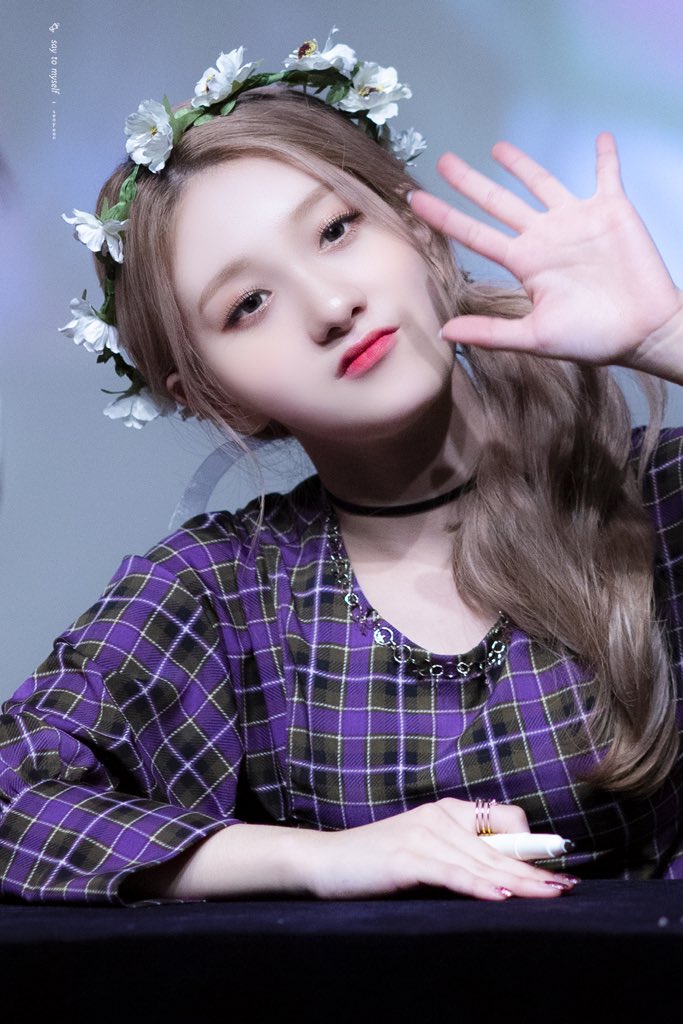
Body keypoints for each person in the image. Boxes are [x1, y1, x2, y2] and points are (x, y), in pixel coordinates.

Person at [1, 31, 682, 907]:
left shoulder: (650, 496)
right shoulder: (228, 590)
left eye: (335, 231)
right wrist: (321, 859)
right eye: (248, 304)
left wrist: (667, 337)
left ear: (417, 231)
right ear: (209, 394)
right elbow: (13, 795)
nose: (330, 305)